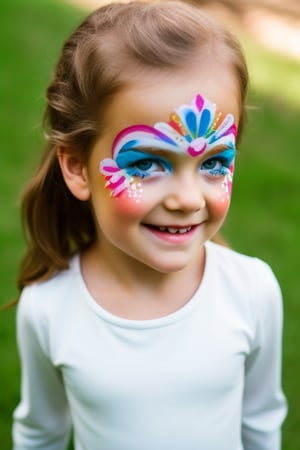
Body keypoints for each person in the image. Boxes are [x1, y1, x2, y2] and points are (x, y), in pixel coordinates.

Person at [12, 1, 287, 449]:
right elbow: (39, 434)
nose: (187, 198)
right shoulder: (49, 308)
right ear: (78, 167)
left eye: (214, 162)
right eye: (146, 164)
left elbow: (261, 424)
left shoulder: (252, 292)